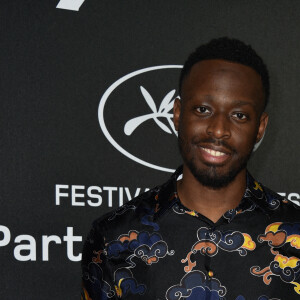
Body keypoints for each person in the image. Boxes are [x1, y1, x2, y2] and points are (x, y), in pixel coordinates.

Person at [81, 37, 300, 300]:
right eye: (203, 109)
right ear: (177, 113)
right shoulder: (111, 239)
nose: (218, 130)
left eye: (239, 115)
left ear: (260, 128)